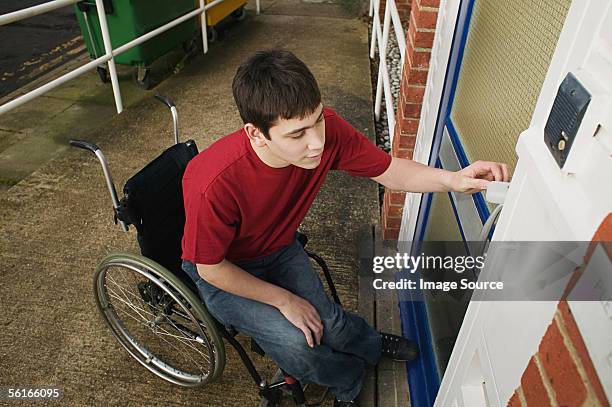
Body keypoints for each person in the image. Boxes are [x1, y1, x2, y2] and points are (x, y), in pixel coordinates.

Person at [181, 50, 509, 406]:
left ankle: (370, 345)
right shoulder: (212, 181)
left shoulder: (327, 133)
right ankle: (348, 381)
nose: (317, 142)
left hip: (277, 248)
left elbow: (389, 170)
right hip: (224, 271)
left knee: (331, 323)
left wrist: (453, 179)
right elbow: (209, 268)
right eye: (297, 134)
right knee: (299, 346)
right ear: (256, 134)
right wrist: (284, 300)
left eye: (318, 119)